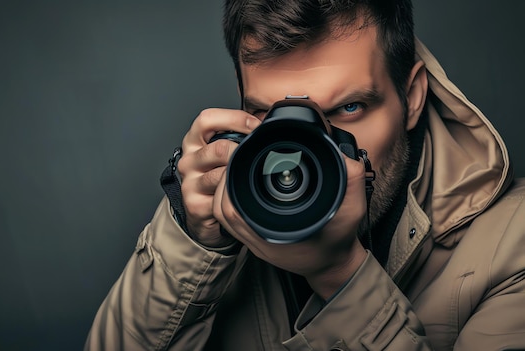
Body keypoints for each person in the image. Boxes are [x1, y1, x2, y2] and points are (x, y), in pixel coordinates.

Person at [85, 1, 525, 350]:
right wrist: (192, 242)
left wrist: (340, 274)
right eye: (271, 113)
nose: (307, 150)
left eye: (349, 108)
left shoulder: (512, 245)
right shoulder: (227, 211)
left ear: (411, 97)